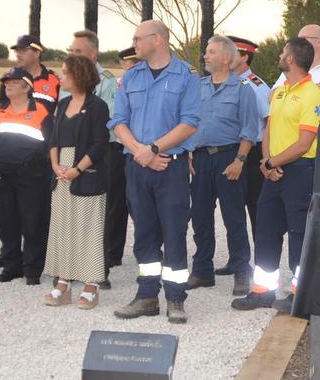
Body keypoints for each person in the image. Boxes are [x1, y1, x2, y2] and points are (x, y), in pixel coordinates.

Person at [109, 20, 200, 324]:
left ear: (158, 40)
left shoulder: (186, 77)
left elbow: (189, 122)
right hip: (138, 167)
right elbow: (119, 120)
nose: (133, 43)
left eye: (138, 38)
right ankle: (147, 296)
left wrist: (155, 150)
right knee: (144, 234)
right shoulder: (131, 76)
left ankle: (175, 298)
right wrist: (140, 152)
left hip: (170, 167)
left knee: (174, 232)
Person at [232, 37, 320, 313]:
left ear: (292, 60)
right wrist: (265, 162)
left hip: (300, 171)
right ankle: (263, 290)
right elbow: (269, 129)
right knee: (266, 230)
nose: (280, 56)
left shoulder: (312, 95)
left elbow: (304, 143)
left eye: (284, 53)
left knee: (299, 233)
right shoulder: (281, 90)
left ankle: (301, 295)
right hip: (273, 169)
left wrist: (272, 162)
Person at [188, 36, 260, 296]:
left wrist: (240, 161)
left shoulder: (243, 89)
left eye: (211, 52)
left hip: (229, 158)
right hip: (200, 159)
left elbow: (250, 129)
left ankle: (241, 270)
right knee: (200, 217)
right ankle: (202, 271)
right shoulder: (197, 87)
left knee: (234, 218)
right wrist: (188, 154)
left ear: (227, 59)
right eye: (206, 52)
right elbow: (188, 122)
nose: (205, 56)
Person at [44, 55, 112, 310]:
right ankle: (63, 282)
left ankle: (91, 284)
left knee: (88, 230)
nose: (60, 76)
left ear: (79, 75)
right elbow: (52, 139)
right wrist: (55, 166)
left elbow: (99, 144)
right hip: (61, 173)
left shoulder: (97, 106)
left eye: (64, 72)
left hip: (86, 174)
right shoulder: (61, 105)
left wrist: (77, 169)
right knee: (62, 228)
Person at [68, 30, 126, 288]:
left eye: (78, 52)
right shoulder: (67, 83)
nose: (73, 56)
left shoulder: (108, 83)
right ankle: (72, 263)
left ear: (93, 54)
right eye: (71, 51)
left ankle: (98, 268)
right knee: (71, 209)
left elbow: (106, 123)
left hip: (101, 154)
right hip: (71, 154)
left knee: (101, 212)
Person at [0, 68, 52, 285]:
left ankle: (33, 269)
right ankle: (12, 266)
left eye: (14, 82)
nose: (8, 85)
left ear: (27, 86)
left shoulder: (41, 111)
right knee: (6, 221)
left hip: (32, 175)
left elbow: (51, 144)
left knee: (33, 222)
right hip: (3, 174)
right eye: (6, 82)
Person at [225, 35, 271, 252]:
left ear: (244, 57)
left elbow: (269, 118)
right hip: (234, 149)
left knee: (255, 207)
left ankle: (262, 261)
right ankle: (237, 260)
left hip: (253, 153)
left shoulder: (255, 85)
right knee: (233, 209)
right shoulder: (228, 81)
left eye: (232, 53)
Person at [273, 24, 320, 121]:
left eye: (303, 40)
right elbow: (272, 97)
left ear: (318, 42)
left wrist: (293, 92)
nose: (297, 45)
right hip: (296, 133)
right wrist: (315, 90)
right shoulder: (293, 66)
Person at [0, 34, 60, 113]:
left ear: (37, 53)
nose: (18, 55)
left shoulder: (54, 79)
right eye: (17, 51)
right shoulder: (8, 78)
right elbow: (2, 110)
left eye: (23, 51)